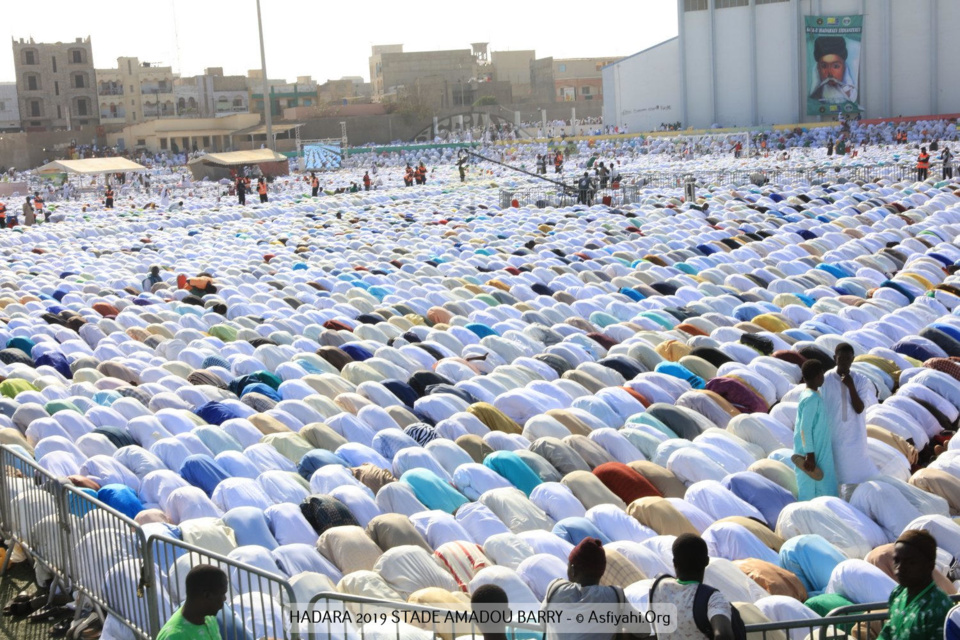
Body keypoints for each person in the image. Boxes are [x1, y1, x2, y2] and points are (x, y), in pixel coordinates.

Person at [649, 534, 735, 640]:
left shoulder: (658, 587)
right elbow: (724, 635)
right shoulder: (713, 599)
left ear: (674, 563)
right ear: (706, 561)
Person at [820, 343, 878, 499]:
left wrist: (850, 386)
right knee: (834, 476)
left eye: (848, 359)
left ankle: (854, 502)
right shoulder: (825, 379)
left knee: (856, 475)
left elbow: (859, 408)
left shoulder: (860, 380)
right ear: (834, 359)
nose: (845, 362)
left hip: (854, 438)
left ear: (853, 360)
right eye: (841, 359)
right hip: (834, 437)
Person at [542, 537, 627, 640]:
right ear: (602, 572)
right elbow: (644, 629)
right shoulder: (615, 596)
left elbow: (543, 623)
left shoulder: (555, 589)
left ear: (573, 570)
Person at [877, 530, 952, 640]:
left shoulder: (938, 607)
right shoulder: (898, 594)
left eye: (910, 562)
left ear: (929, 565)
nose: (899, 568)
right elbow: (887, 633)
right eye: (896, 560)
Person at [793, 359, 838, 500]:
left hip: (818, 450)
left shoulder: (810, 394)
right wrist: (810, 455)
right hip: (814, 454)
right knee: (815, 490)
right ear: (819, 376)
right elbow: (805, 428)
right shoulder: (812, 399)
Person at [156, 564, 227, 640]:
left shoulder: (208, 618)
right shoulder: (175, 636)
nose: (225, 598)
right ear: (207, 595)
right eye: (222, 594)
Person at [809, 36, 857, 104]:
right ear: (818, 69)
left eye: (836, 66)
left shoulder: (851, 93)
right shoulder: (817, 96)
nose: (830, 73)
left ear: (844, 68)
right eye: (824, 66)